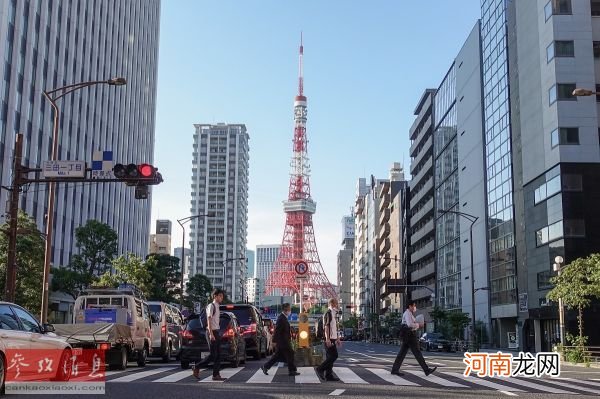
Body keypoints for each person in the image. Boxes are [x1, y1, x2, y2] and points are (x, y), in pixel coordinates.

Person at [391, 301, 437, 377]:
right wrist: (418, 324)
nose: (415, 307)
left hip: (407, 335)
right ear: (410, 306)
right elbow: (409, 324)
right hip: (410, 335)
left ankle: (394, 370)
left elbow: (412, 323)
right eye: (414, 306)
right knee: (417, 353)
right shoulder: (408, 313)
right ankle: (426, 370)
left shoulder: (409, 313)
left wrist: (418, 323)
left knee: (402, 354)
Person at [193, 288, 226, 381]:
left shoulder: (217, 306)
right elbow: (209, 319)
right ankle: (197, 366)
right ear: (215, 296)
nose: (221, 298)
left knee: (218, 354)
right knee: (213, 355)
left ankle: (216, 375)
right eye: (220, 296)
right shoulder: (211, 306)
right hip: (211, 332)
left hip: (217, 331)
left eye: (222, 296)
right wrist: (211, 334)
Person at [261, 303, 300, 376]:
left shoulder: (283, 318)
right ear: (286, 309)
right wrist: (274, 341)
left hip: (283, 341)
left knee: (277, 356)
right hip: (282, 341)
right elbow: (277, 331)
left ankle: (265, 366)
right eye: (289, 309)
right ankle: (292, 370)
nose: (290, 310)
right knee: (290, 353)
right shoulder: (281, 318)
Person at [316, 298, 341, 381]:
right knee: (334, 356)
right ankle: (320, 369)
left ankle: (328, 375)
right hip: (329, 339)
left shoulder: (333, 314)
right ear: (332, 304)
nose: (337, 305)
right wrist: (327, 339)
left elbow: (334, 328)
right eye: (336, 303)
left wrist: (337, 339)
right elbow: (326, 327)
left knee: (330, 357)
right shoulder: (328, 313)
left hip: (332, 338)